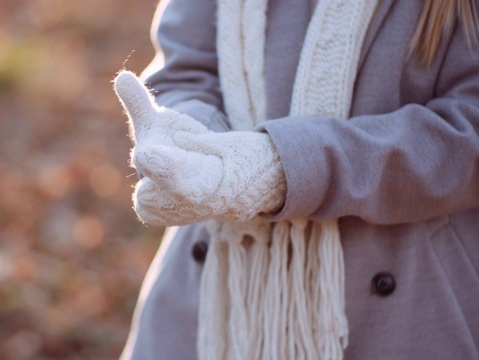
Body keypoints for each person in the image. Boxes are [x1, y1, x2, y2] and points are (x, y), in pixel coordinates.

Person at [114, 0, 479, 359]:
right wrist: (198, 150)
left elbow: (468, 128)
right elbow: (185, 73)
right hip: (210, 300)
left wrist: (284, 167)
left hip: (407, 308)